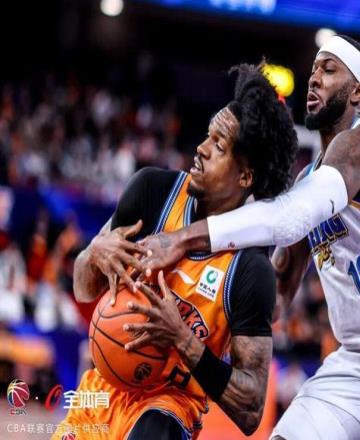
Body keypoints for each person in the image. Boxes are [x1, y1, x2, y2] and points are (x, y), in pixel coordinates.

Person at [137, 35, 360, 440]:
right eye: (313, 70)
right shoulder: (308, 180)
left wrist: (182, 239)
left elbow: (290, 217)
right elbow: (276, 292)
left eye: (329, 70)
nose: (314, 79)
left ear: (357, 93)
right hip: (356, 360)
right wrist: (198, 311)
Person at [56, 62, 298, 439]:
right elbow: (84, 289)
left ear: (245, 176)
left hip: (168, 406)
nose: (201, 148)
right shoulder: (153, 191)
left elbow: (251, 409)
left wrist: (182, 338)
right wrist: (95, 254)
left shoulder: (250, 268)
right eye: (207, 135)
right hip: (99, 395)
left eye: (218, 145)